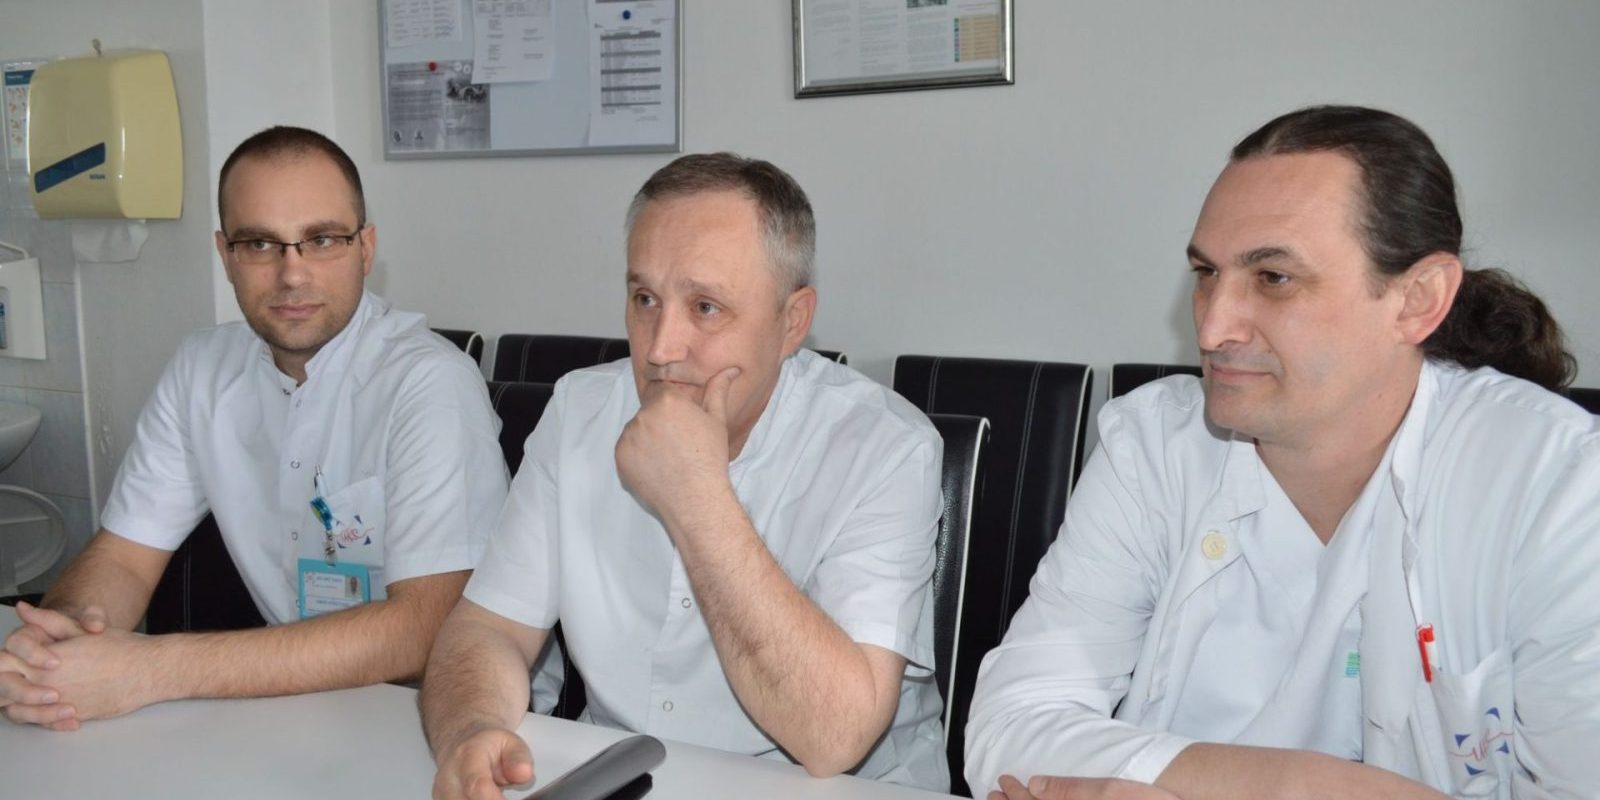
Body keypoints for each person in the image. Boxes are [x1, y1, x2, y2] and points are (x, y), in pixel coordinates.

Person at [966, 106, 1600, 799]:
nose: (1213, 327)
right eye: (1206, 272)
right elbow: (1009, 726)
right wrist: (1296, 782)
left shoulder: (1559, 482)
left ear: (1418, 299)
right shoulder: (1154, 446)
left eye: (1273, 277)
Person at [420, 153, 948, 798]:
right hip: (623, 774)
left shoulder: (885, 447)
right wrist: (470, 728)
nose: (659, 348)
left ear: (792, 321)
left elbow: (834, 738)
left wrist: (697, 498)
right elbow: (490, 628)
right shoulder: (581, 409)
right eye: (645, 299)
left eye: (706, 307)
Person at [0, 126, 507, 729]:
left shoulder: (430, 383)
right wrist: (59, 640)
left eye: (322, 240)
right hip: (296, 705)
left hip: (451, 717)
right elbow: (126, 558)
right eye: (260, 244)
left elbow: (426, 629)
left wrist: (150, 668)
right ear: (226, 255)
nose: (292, 274)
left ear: (366, 249)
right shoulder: (201, 368)